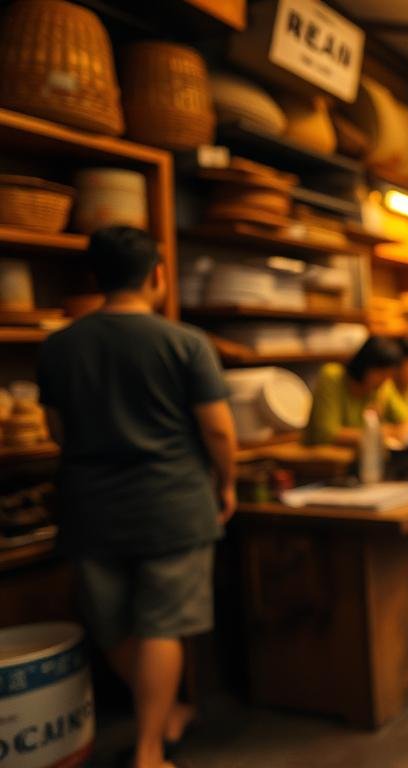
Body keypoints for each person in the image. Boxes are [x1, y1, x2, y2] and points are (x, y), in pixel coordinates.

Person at [37, 227, 236, 768]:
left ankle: (162, 713)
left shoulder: (58, 345)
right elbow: (218, 430)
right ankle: (150, 751)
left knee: (113, 626)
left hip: (89, 505)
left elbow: (56, 429)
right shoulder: (184, 342)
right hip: (172, 502)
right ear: (157, 275)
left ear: (96, 278)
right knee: (162, 626)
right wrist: (228, 482)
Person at [304, 336, 402, 446]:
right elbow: (327, 434)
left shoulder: (381, 387)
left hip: (356, 457)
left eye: (389, 375)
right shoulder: (332, 376)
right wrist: (381, 433)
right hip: (319, 458)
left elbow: (404, 421)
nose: (385, 380)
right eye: (381, 373)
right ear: (364, 365)